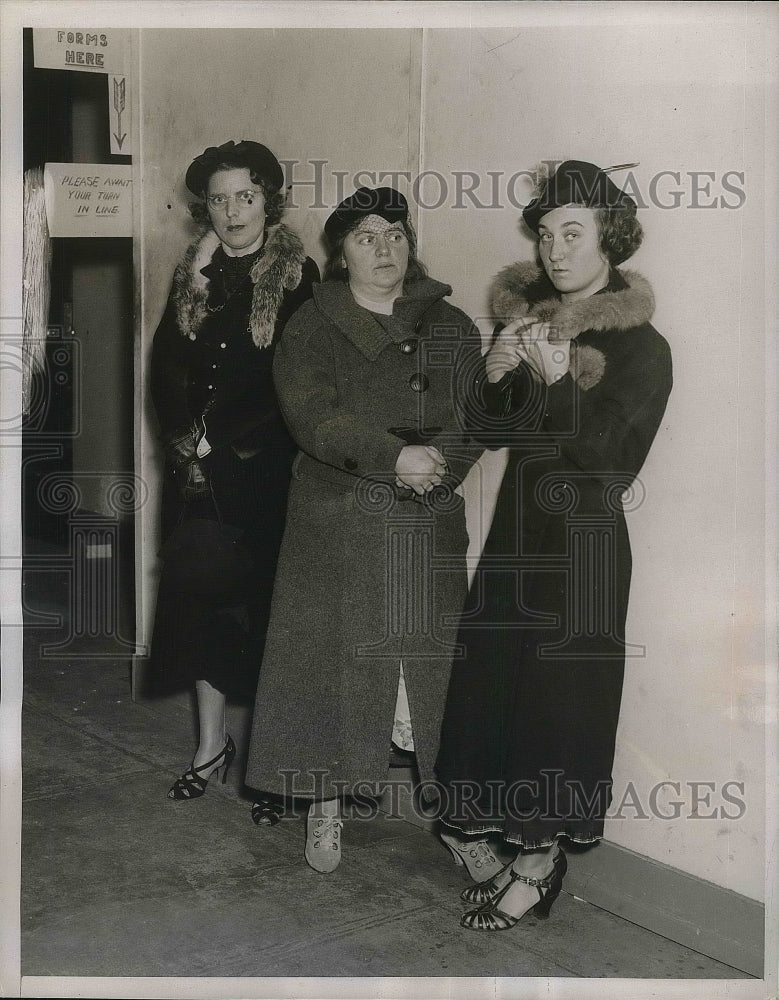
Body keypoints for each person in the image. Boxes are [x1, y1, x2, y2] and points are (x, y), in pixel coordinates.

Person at [435, 160, 673, 930]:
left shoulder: (644, 348)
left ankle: (537, 864)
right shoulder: (532, 324)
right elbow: (494, 431)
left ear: (610, 235)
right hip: (517, 535)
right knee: (499, 689)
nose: (555, 251)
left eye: (572, 232)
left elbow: (611, 460)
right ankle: (519, 845)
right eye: (544, 235)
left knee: (560, 708)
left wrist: (562, 377)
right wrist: (499, 373)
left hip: (585, 546)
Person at [245, 187, 492, 874]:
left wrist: (436, 464)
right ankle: (324, 804)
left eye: (394, 234)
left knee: (433, 676)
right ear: (340, 254)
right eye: (365, 238)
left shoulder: (449, 326)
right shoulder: (312, 326)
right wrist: (394, 458)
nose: (384, 249)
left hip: (428, 520)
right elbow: (312, 417)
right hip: (339, 523)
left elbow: (473, 414)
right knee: (334, 668)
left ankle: (454, 816)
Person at [149, 139, 319, 805]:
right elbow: (164, 367)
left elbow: (299, 385)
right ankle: (210, 746)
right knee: (202, 609)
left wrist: (227, 439)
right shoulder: (191, 275)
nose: (231, 210)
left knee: (271, 616)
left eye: (244, 196)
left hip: (269, 477)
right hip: (198, 480)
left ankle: (275, 767)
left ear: (267, 200)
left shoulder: (300, 278)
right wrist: (182, 436)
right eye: (217, 199)